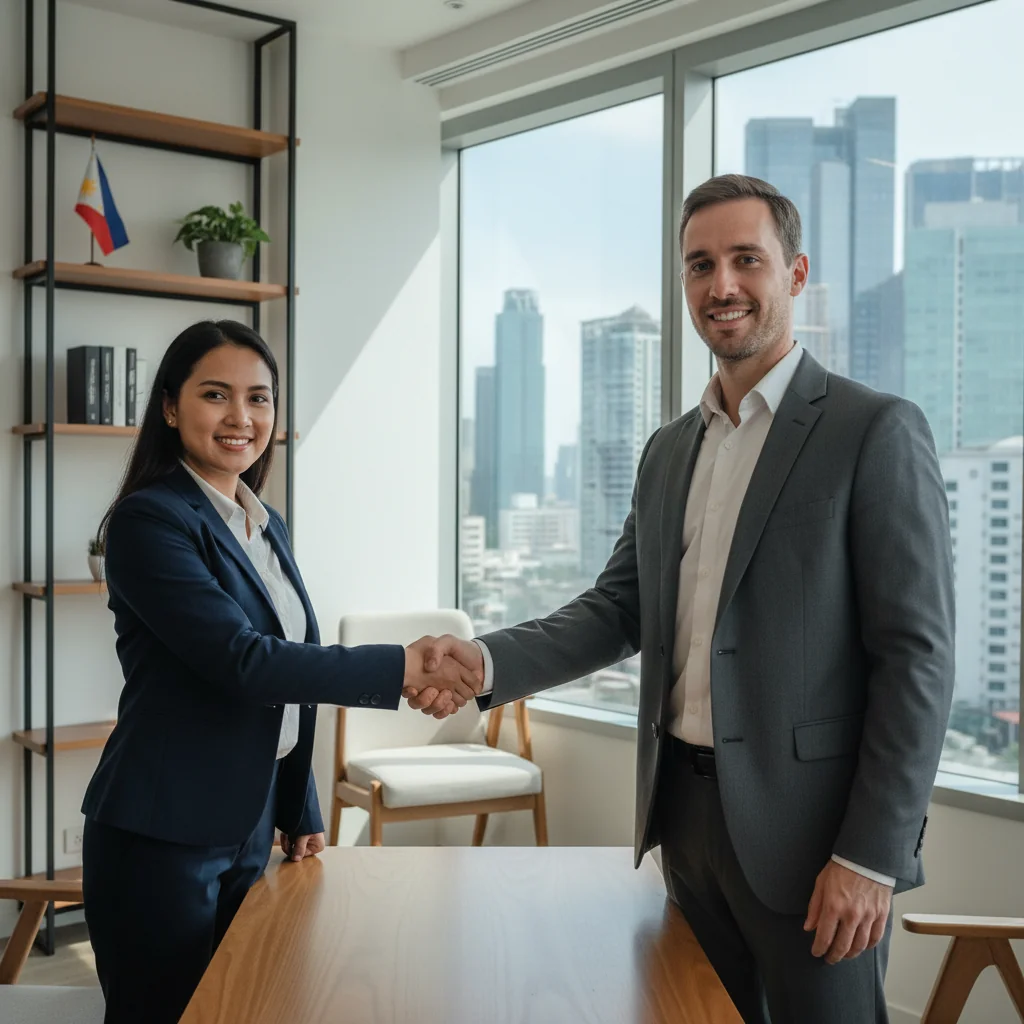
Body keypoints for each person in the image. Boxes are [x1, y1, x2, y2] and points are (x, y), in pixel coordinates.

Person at [410, 175, 955, 1023]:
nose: (721, 285)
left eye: (746, 260)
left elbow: (917, 659)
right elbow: (617, 609)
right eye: (700, 265)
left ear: (796, 274)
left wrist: (870, 856)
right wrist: (484, 662)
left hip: (814, 837)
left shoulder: (872, 430)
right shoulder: (669, 450)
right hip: (685, 820)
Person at [81, 319, 477, 1024]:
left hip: (249, 820)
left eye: (259, 398)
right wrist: (403, 666)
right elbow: (245, 662)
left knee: (243, 1008)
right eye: (216, 395)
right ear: (169, 407)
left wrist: (298, 805)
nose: (242, 417)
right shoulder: (149, 521)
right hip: (162, 833)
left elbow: (289, 681)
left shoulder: (266, 525)